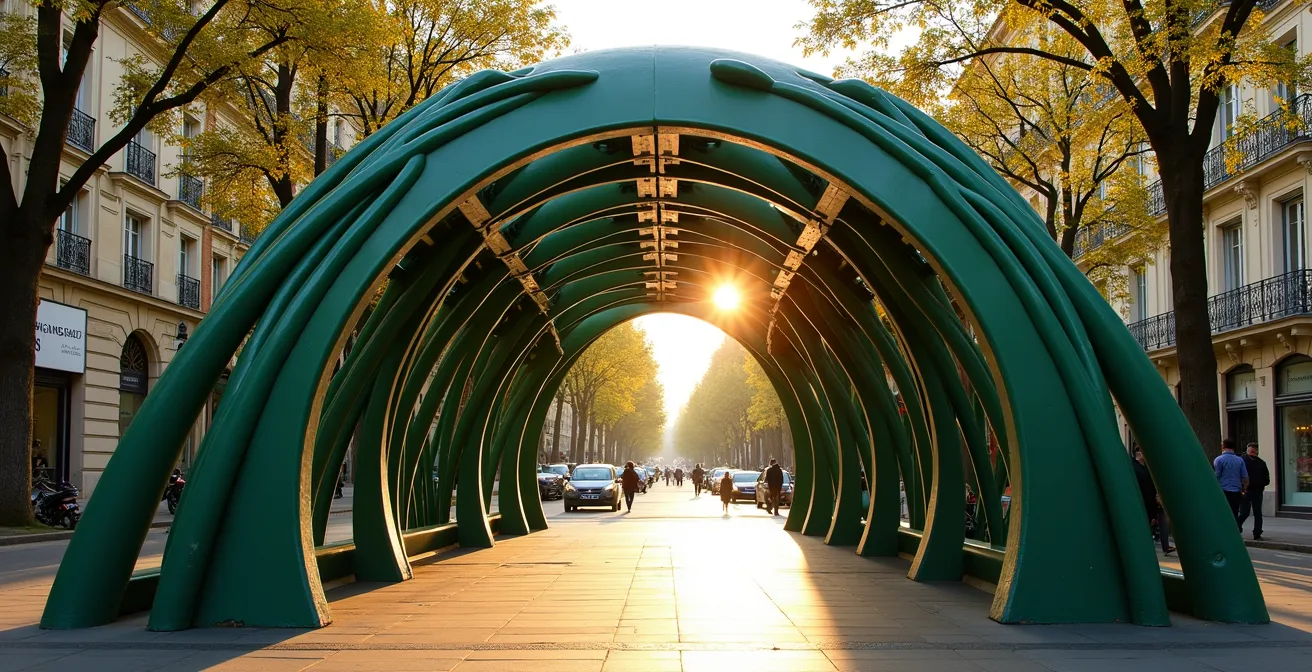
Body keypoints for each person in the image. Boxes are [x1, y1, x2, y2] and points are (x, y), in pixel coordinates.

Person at [1132, 449, 1173, 554]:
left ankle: (1163, 546)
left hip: (1151, 500)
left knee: (1157, 521)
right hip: (1145, 500)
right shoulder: (1136, 468)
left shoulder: (1145, 467)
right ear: (1139, 453)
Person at [1239, 442, 1270, 541]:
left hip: (1245, 490)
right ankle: (1257, 533)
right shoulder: (1261, 463)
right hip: (1257, 491)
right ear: (1256, 451)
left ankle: (1236, 526)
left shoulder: (1242, 460)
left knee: (1244, 512)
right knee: (1257, 513)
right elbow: (1267, 480)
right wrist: (1260, 484)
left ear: (1248, 450)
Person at [1214, 438, 1249, 526]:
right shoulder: (1240, 460)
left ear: (1223, 446)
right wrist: (1244, 488)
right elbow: (1245, 476)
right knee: (1234, 511)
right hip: (1236, 490)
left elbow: (1217, 475)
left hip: (1223, 490)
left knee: (1223, 512)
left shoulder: (1219, 459)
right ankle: (1235, 529)